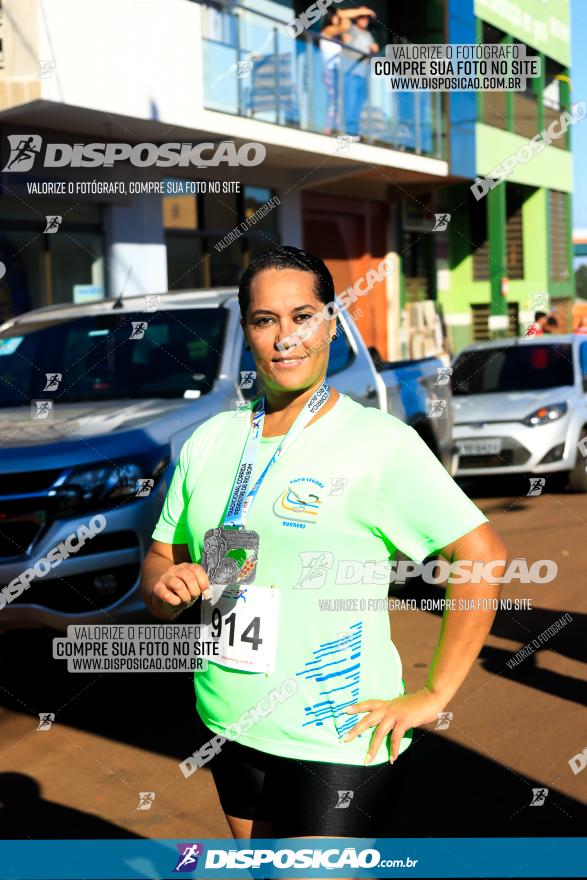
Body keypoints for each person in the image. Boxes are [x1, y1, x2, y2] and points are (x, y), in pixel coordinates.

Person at [140, 246, 507, 843]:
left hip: (337, 738)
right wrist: (163, 586)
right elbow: (161, 558)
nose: (285, 337)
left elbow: (482, 556)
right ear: (247, 331)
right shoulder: (209, 441)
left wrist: (435, 693)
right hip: (229, 722)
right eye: (266, 320)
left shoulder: (378, 443)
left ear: (332, 323)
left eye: (303, 316)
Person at [319, 7, 374, 135]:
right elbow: (344, 20)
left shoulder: (339, 36)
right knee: (333, 100)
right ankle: (328, 128)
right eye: (335, 17)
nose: (338, 20)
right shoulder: (327, 31)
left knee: (340, 100)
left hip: (339, 70)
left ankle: (338, 128)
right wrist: (360, 11)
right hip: (330, 70)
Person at [341, 10, 379, 138]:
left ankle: (354, 132)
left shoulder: (368, 35)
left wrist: (374, 49)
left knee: (359, 103)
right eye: (362, 17)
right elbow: (341, 15)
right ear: (357, 18)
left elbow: (372, 52)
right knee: (350, 102)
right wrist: (361, 10)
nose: (365, 20)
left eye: (366, 18)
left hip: (363, 73)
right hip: (351, 71)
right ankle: (348, 132)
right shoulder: (350, 28)